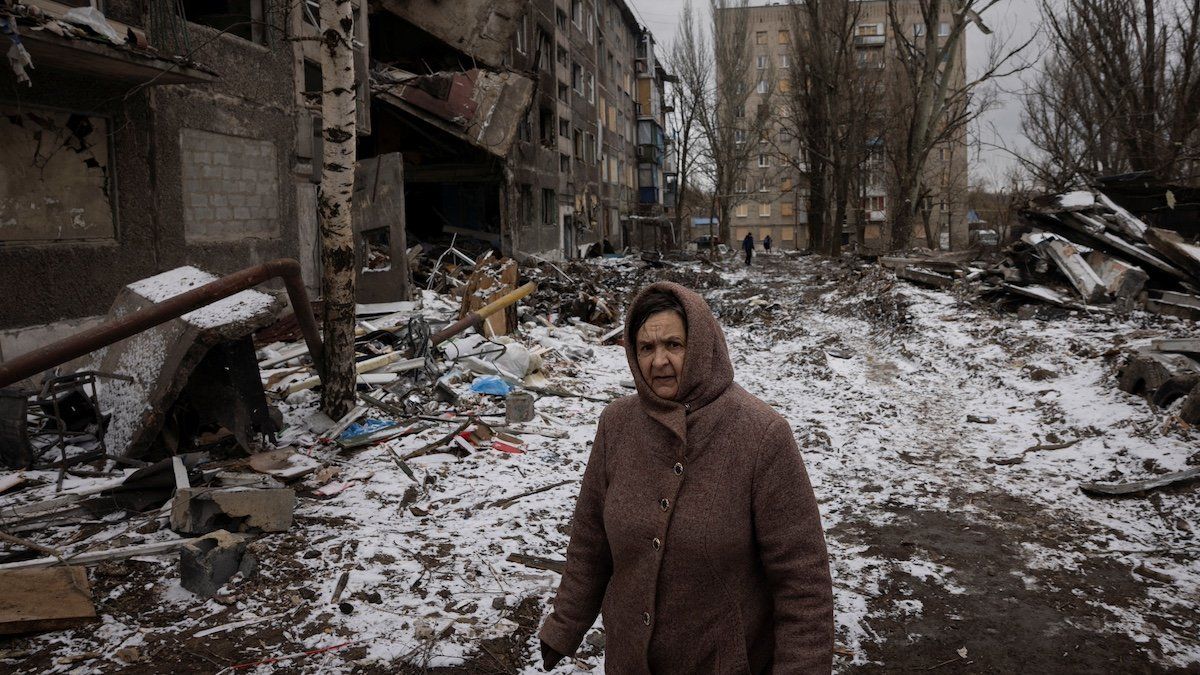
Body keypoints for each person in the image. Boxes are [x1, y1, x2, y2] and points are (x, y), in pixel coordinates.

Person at [538, 282, 834, 673]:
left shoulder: (761, 435)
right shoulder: (617, 425)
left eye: (673, 345)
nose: (659, 361)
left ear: (701, 346)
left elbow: (803, 582)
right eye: (646, 348)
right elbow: (591, 541)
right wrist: (565, 624)